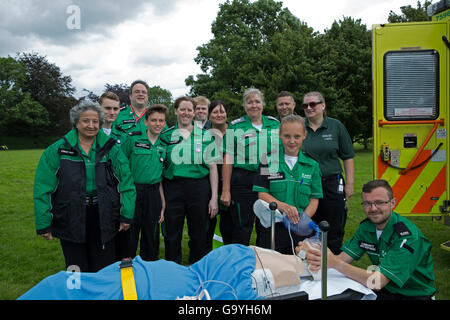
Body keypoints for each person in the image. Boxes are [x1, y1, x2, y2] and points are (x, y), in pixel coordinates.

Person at [33, 100, 136, 272]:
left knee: (104, 266)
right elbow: (43, 188)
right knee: (76, 267)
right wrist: (44, 222)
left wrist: (126, 215)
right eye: (86, 121)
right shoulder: (57, 150)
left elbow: (126, 182)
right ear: (76, 122)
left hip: (104, 214)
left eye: (95, 121)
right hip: (71, 214)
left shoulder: (111, 149)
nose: (91, 125)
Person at [299, 179, 436, 300]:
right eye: (367, 203)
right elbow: (341, 259)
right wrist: (314, 252)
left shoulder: (407, 236)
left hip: (414, 294)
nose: (373, 208)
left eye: (379, 202)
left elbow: (378, 282)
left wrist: (334, 263)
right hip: (385, 292)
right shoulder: (366, 228)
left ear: (393, 203)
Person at [160, 96, 220, 264]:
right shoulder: (165, 137)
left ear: (194, 113)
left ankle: (197, 271)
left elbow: (213, 167)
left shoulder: (205, 136)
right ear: (176, 111)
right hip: (172, 187)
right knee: (172, 233)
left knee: (199, 233)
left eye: (189, 110)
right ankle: (173, 272)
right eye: (182, 109)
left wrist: (214, 198)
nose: (186, 113)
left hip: (199, 188)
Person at [253, 115, 323, 254]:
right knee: (271, 266)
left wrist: (302, 219)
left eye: (297, 136)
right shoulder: (268, 160)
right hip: (273, 227)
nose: (292, 141)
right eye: (287, 136)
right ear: (279, 135)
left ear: (304, 135)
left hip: (300, 229)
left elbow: (314, 199)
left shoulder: (312, 165)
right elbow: (262, 193)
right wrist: (284, 207)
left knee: (299, 268)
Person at [221, 88, 280, 248]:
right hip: (243, 180)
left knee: (267, 225)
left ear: (263, 104)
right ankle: (240, 265)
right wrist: (226, 190)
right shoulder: (236, 126)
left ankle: (264, 265)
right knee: (242, 226)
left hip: (269, 179)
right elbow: (228, 158)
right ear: (244, 105)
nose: (254, 105)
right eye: (250, 102)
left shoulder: (275, 124)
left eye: (257, 101)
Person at [301, 91, 354, 254]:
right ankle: (311, 261)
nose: (309, 108)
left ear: (323, 105)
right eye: (305, 105)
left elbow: (348, 156)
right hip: (307, 183)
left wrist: (350, 184)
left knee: (333, 224)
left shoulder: (336, 126)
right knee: (308, 224)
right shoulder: (299, 126)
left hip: (332, 182)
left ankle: (333, 262)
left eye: (313, 104)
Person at [121, 105, 168, 261]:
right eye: (153, 120)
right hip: (133, 191)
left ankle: (149, 267)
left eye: (161, 120)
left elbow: (160, 177)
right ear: (146, 122)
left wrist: (162, 203)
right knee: (130, 234)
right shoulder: (133, 139)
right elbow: (121, 165)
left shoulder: (164, 145)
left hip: (153, 193)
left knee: (151, 233)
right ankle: (128, 270)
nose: (157, 123)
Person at [205, 100, 232, 250]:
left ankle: (229, 258)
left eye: (222, 111)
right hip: (210, 185)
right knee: (207, 226)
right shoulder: (204, 134)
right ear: (209, 115)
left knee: (229, 227)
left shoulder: (235, 132)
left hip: (230, 184)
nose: (219, 115)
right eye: (215, 112)